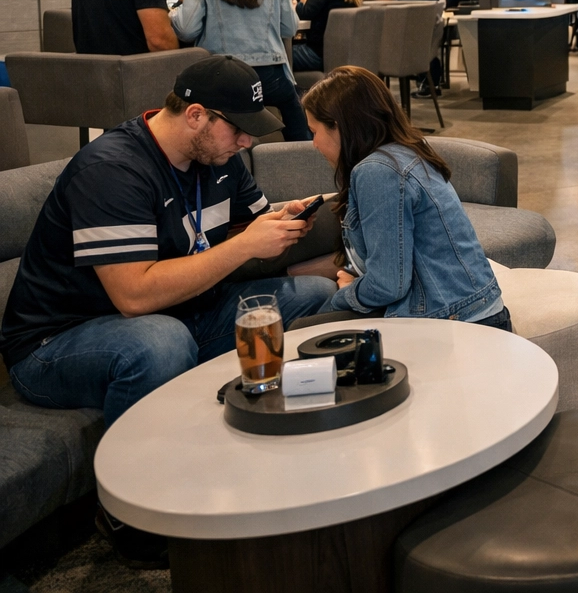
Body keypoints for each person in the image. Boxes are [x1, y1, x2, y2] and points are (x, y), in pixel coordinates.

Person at [0, 55, 332, 425]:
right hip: (60, 341)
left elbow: (253, 230)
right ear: (195, 115)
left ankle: (271, 425)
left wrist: (280, 226)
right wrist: (244, 245)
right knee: (162, 342)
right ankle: (142, 460)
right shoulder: (113, 171)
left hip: (181, 313)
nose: (247, 141)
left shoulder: (221, 159)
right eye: (238, 128)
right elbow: (134, 296)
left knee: (314, 295)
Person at [302, 67, 509, 326]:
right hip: (470, 308)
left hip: (455, 322)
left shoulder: (377, 172)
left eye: (314, 131)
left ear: (338, 126)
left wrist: (348, 293)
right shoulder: (404, 152)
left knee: (304, 327)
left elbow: (388, 286)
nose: (314, 144)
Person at [171, 0, 309, 141]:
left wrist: (175, 11)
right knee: (296, 118)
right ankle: (303, 157)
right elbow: (289, 29)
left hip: (222, 77)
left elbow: (187, 30)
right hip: (270, 77)